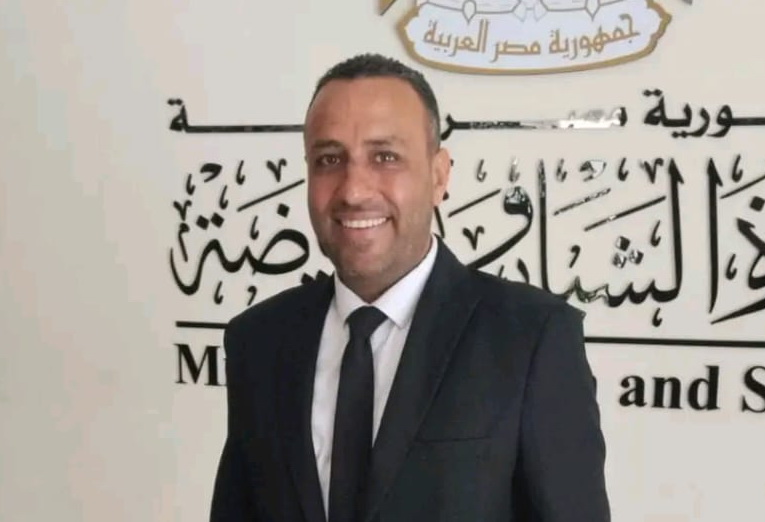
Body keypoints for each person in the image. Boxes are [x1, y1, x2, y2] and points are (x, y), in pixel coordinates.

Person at [210, 53, 610, 522]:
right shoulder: (258, 342)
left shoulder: (531, 339)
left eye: (385, 157)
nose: (353, 190)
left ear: (439, 176)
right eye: (329, 160)